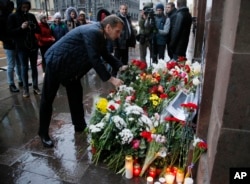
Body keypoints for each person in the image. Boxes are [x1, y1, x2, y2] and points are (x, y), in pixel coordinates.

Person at [38, 15, 127, 148]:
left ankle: (79, 126)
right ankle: (43, 133)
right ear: (108, 27)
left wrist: (120, 65)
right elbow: (94, 58)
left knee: (76, 96)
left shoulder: (101, 34)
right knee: (48, 99)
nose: (118, 35)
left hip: (72, 67)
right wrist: (111, 79)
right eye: (117, 31)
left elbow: (106, 55)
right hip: (57, 62)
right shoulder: (93, 32)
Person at [7, 0, 41, 98]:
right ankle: (25, 89)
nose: (25, 9)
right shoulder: (13, 17)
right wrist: (21, 28)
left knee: (34, 67)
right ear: (20, 6)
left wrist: (33, 27)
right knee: (24, 67)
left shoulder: (31, 16)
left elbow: (38, 29)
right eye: (23, 7)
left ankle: (35, 86)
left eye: (27, 7)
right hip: (22, 47)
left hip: (32, 45)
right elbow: (10, 32)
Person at [1, 0, 23, 92]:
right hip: (9, 44)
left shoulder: (12, 16)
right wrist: (9, 40)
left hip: (15, 43)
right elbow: (2, 34)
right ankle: (11, 83)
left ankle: (20, 80)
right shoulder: (2, 18)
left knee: (18, 63)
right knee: (11, 65)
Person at [113, 4, 136, 75]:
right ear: (120, 10)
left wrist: (132, 41)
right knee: (116, 61)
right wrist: (115, 44)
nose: (124, 11)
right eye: (123, 9)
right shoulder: (117, 19)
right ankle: (113, 75)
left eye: (125, 9)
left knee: (125, 61)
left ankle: (124, 76)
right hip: (119, 44)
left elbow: (129, 30)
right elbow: (114, 32)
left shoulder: (127, 18)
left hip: (126, 43)